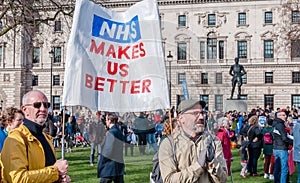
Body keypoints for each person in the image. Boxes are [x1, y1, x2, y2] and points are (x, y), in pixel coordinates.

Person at [1, 90, 70, 182]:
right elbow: (17, 179)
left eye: (46, 105)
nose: (43, 109)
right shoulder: (15, 139)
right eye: (37, 105)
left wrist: (59, 179)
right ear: (25, 109)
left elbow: (45, 173)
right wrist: (55, 171)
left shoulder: (46, 138)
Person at [158, 99, 228, 182]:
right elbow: (169, 180)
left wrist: (212, 163)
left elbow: (223, 179)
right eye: (195, 113)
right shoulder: (169, 144)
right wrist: (198, 166)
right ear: (181, 118)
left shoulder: (213, 141)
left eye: (202, 113)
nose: (201, 117)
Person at [98, 112, 125, 183]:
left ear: (110, 121)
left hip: (110, 165)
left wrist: (102, 160)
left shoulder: (112, 132)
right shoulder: (119, 131)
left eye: (106, 120)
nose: (106, 122)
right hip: (118, 164)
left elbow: (108, 150)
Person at [272, 111, 293, 183]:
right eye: (283, 115)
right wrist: (293, 143)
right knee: (284, 169)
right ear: (279, 116)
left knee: (277, 168)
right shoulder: (280, 125)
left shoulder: (274, 124)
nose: (285, 116)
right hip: (282, 148)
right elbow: (284, 138)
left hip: (276, 148)